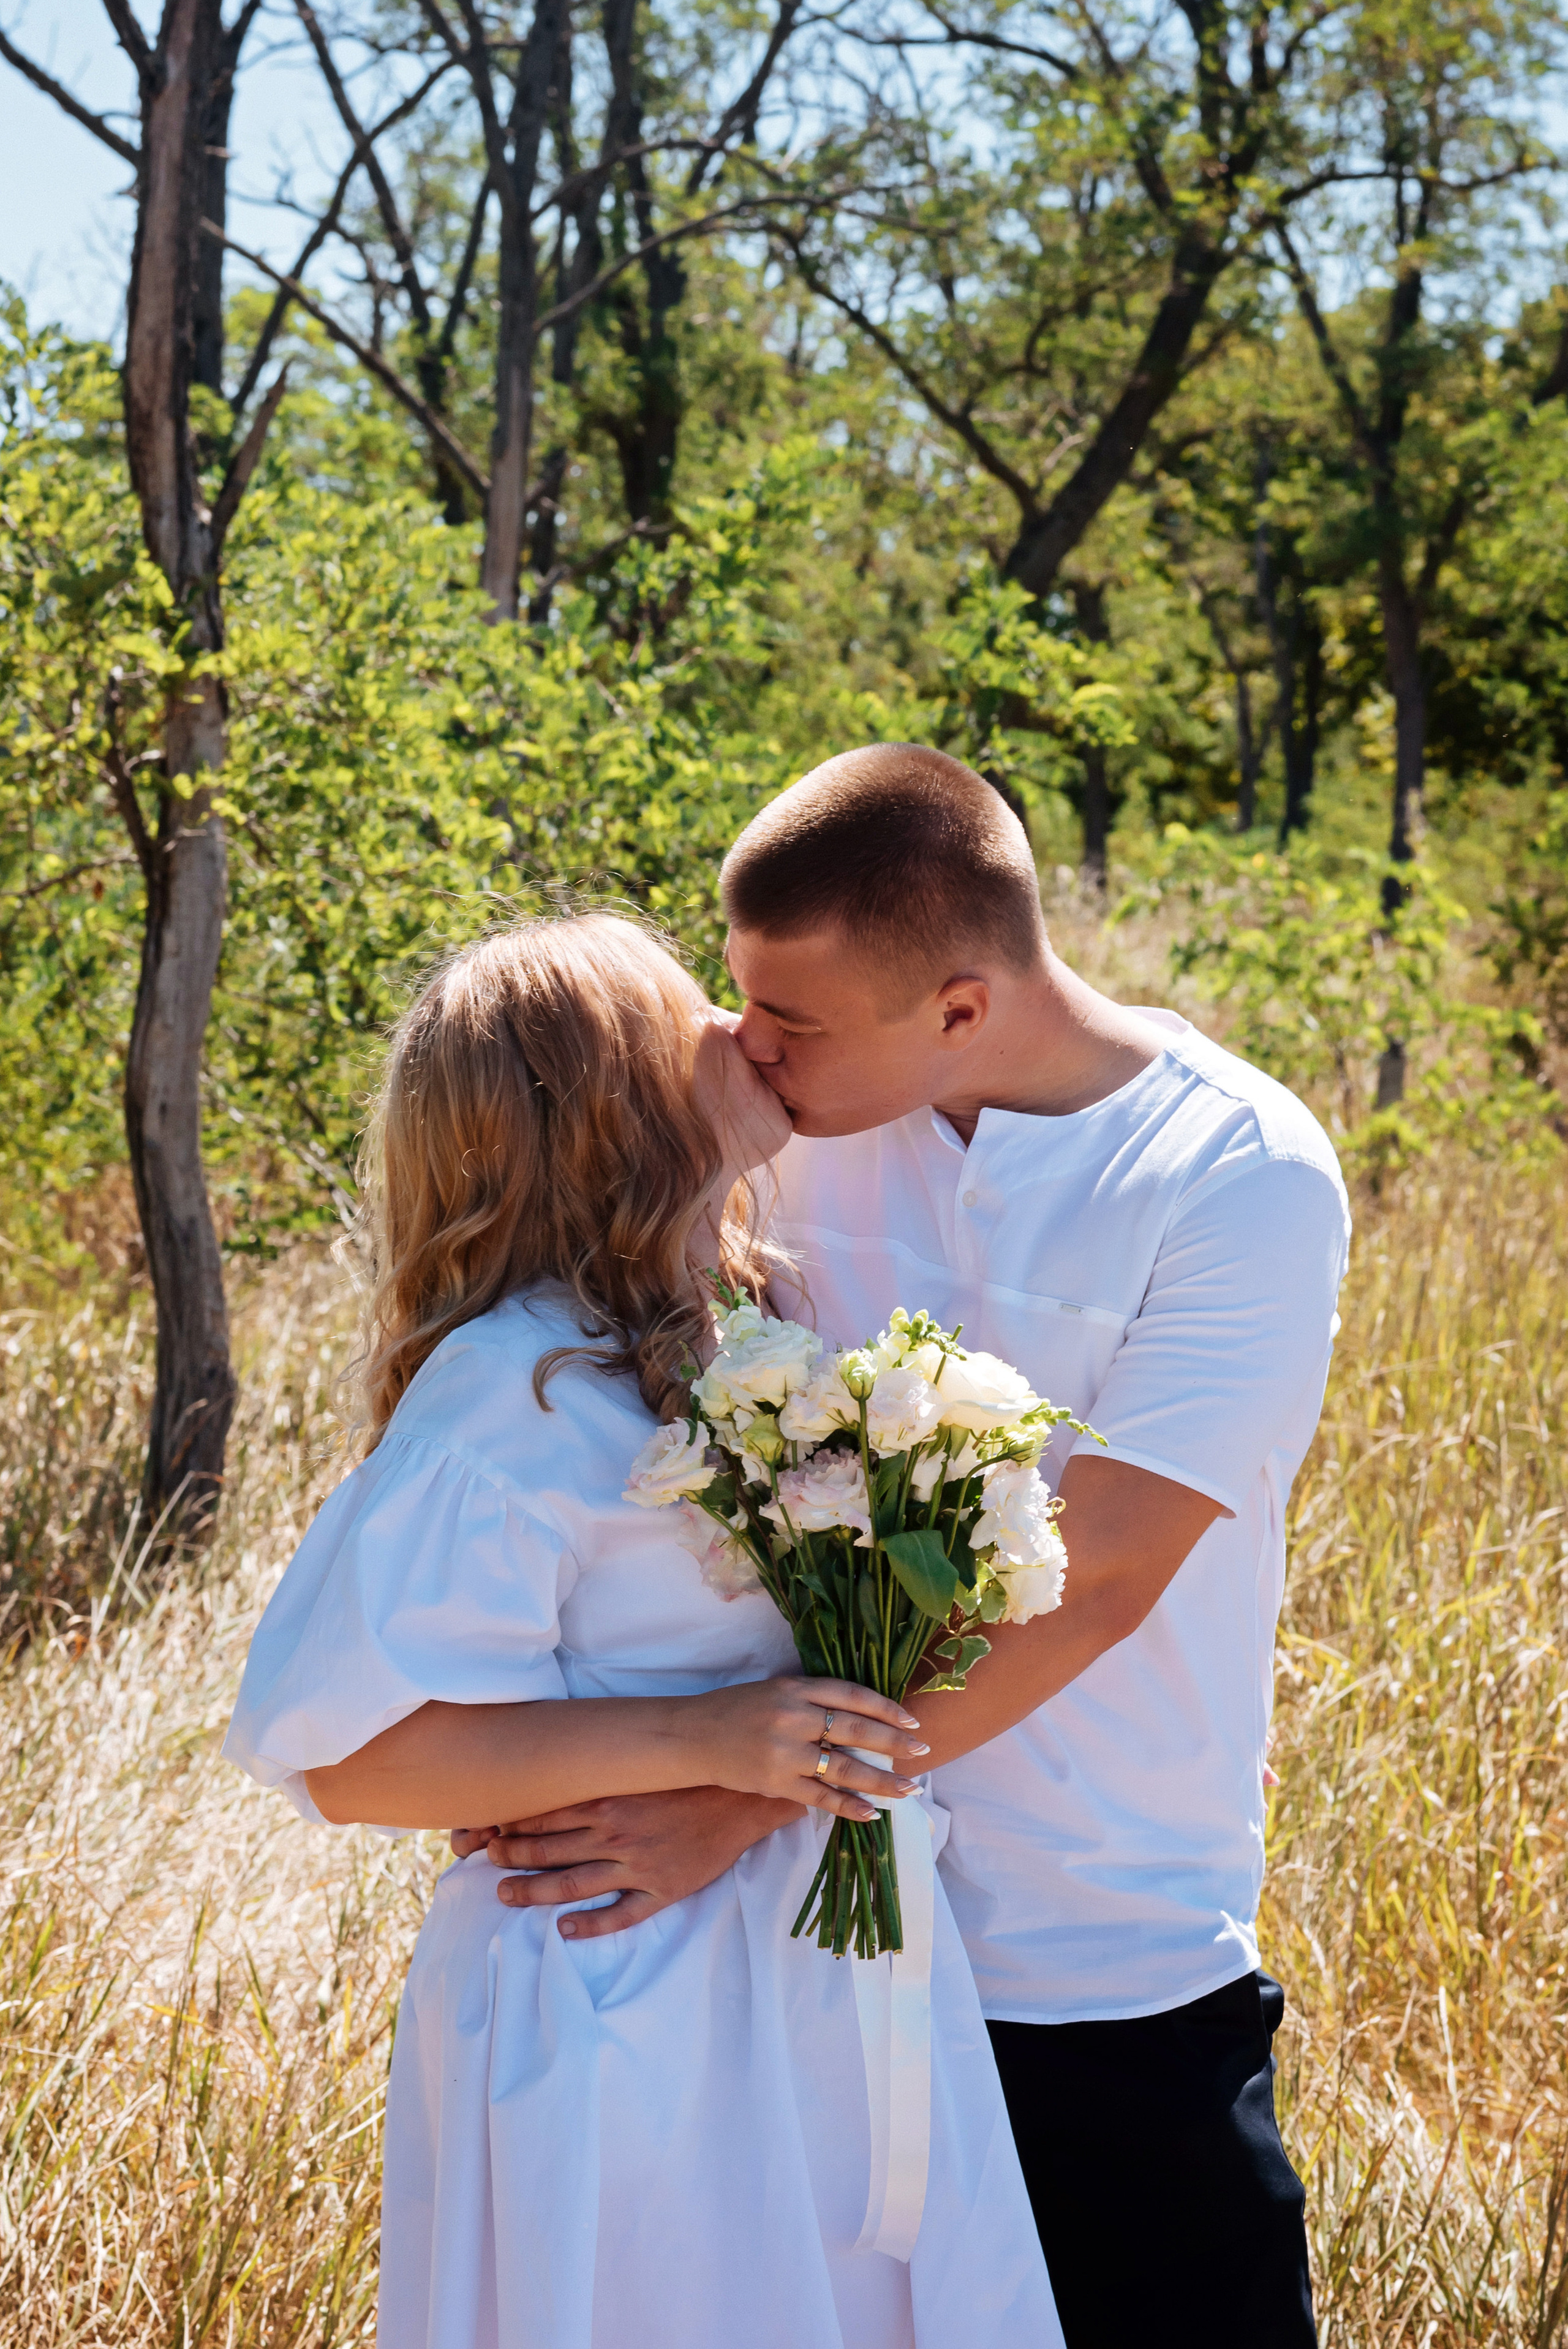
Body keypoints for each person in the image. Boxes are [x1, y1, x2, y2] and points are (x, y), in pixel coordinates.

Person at [467, 749, 1349, 2348]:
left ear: (959, 1004)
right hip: (787, 1969)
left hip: (1096, 1963)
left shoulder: (1236, 1173)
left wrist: (736, 1800)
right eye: (740, 999)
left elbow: (1101, 1575)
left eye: (787, 1020)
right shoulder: (789, 1124)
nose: (744, 1044)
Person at [222, 913, 1061, 2349]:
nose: (742, 1040)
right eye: (696, 1021)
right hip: (626, 1985)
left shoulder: (731, 1322)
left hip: (798, 1959)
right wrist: (706, 1742)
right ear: (609, 1105)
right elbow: (353, 1759)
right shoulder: (510, 1387)